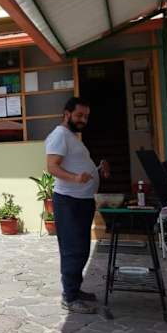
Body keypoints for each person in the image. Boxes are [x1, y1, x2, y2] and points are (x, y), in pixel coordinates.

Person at [45, 97, 110, 314]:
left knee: (81, 248)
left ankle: (75, 289)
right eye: (79, 115)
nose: (83, 120)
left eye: (86, 117)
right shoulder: (59, 135)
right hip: (69, 202)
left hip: (81, 201)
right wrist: (75, 178)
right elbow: (52, 167)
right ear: (67, 114)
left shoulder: (72, 137)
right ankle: (70, 297)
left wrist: (97, 169)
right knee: (73, 249)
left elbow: (76, 164)